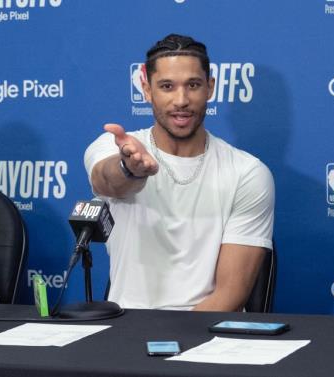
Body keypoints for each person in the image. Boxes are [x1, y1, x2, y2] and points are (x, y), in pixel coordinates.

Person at [84, 34, 274, 311]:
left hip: (208, 334)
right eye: (167, 86)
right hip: (125, 330)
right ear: (147, 90)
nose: (181, 100)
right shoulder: (114, 147)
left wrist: (175, 343)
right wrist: (130, 170)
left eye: (193, 85)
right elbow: (108, 182)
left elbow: (230, 294)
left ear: (210, 88)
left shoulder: (248, 173)